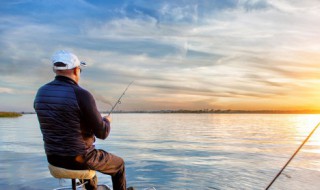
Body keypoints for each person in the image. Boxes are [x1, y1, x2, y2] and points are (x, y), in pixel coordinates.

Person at [34, 50, 132, 190]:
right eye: (80, 70)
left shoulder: (41, 93)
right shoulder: (82, 94)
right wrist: (107, 121)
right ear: (76, 70)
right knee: (119, 164)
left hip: (53, 158)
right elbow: (102, 133)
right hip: (79, 159)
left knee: (87, 153)